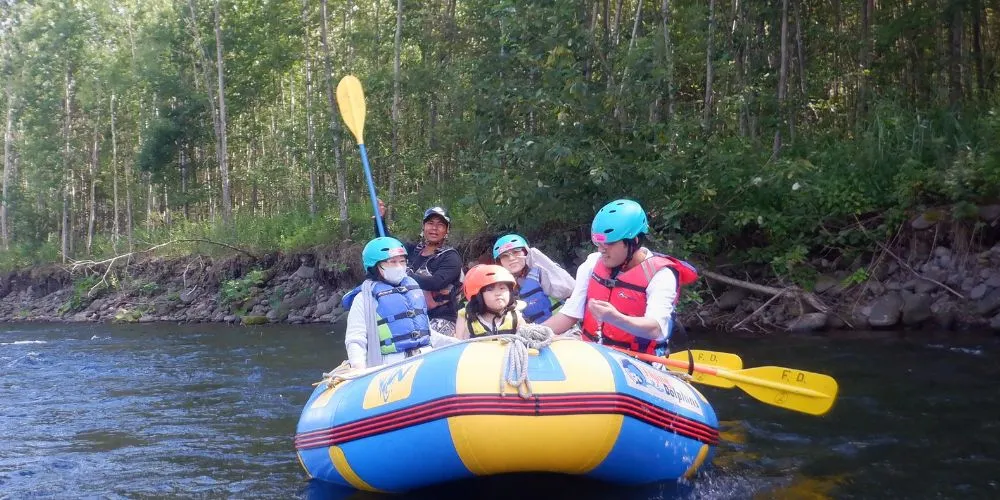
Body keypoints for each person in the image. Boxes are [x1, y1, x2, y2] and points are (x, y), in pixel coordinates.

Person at [541, 199, 698, 355]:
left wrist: (615, 318)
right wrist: (531, 333)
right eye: (598, 243)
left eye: (609, 243)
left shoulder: (661, 275)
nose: (601, 249)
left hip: (639, 362)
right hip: (593, 354)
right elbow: (569, 314)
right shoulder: (591, 263)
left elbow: (656, 329)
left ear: (634, 242)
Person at [373, 201, 464, 336]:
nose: (434, 228)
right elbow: (389, 247)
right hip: (411, 315)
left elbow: (436, 282)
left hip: (441, 317)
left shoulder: (451, 257)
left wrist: (400, 274)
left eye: (440, 225)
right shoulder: (413, 251)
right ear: (423, 226)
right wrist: (379, 219)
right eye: (430, 223)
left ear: (447, 230)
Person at [343, 237, 433, 369]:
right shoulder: (364, 298)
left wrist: (458, 344)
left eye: (402, 261)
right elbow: (356, 339)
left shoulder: (412, 290)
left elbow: (429, 332)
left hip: (425, 357)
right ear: (375, 266)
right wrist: (358, 368)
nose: (399, 267)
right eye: (392, 262)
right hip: (391, 366)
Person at [492, 234, 575, 323]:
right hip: (531, 332)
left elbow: (570, 288)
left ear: (525, 252)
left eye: (516, 252)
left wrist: (542, 261)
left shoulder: (542, 272)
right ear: (499, 262)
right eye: (505, 256)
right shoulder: (501, 285)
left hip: (562, 327)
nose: (511, 258)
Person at [454, 264, 525, 340]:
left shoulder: (516, 317)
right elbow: (459, 345)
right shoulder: (467, 318)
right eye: (490, 289)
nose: (498, 293)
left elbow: (527, 340)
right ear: (478, 296)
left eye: (502, 288)